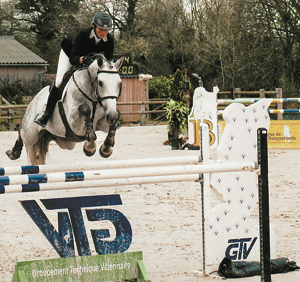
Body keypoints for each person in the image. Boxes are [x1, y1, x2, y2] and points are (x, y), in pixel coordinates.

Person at [35, 11, 114, 127]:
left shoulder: (110, 39)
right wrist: (83, 60)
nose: (104, 33)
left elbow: (108, 61)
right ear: (94, 26)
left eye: (107, 30)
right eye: (101, 29)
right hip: (70, 54)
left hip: (89, 60)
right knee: (59, 82)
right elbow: (73, 59)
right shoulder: (83, 34)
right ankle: (46, 114)